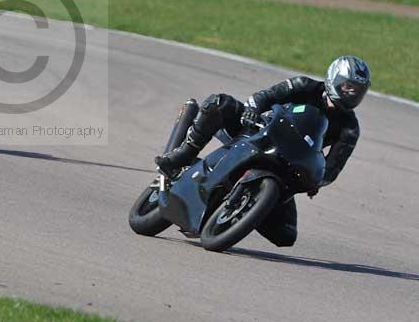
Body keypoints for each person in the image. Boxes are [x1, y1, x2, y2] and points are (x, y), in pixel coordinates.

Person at [155, 55, 371, 246]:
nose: (352, 94)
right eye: (348, 86)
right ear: (334, 79)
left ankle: (246, 208)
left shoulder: (350, 129)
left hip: (287, 163)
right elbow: (263, 97)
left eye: (358, 91)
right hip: (258, 132)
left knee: (286, 236)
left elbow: (332, 168)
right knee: (219, 103)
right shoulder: (304, 85)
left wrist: (317, 180)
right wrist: (252, 111)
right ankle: (184, 153)